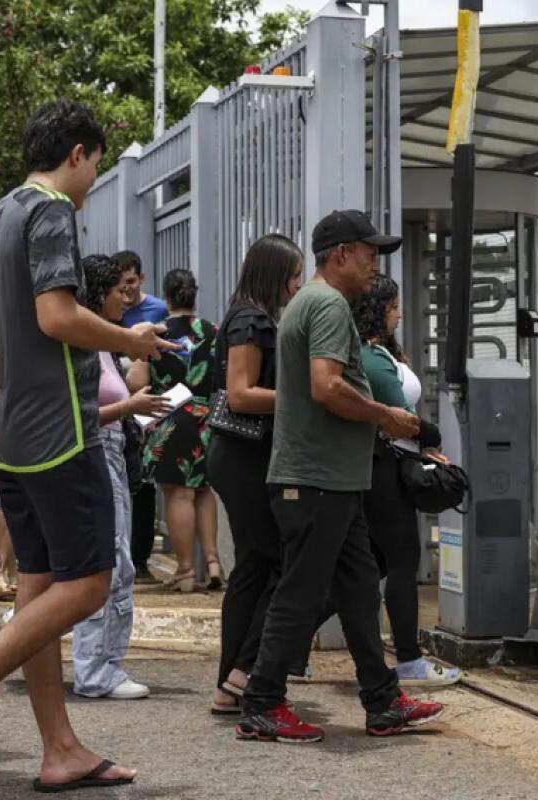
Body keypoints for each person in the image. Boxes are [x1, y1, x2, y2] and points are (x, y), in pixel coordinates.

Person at [0, 99, 175, 799]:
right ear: (78, 153)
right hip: (64, 428)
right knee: (86, 584)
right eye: (97, 163)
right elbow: (56, 316)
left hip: (16, 436)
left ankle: (60, 749)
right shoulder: (50, 210)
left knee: (39, 593)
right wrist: (132, 340)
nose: (94, 179)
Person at [236, 209, 443, 743]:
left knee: (356, 592)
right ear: (341, 254)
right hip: (316, 480)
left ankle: (382, 700)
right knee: (299, 593)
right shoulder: (327, 304)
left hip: (333, 481)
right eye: (369, 253)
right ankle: (261, 703)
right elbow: (326, 387)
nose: (375, 264)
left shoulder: (313, 302)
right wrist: (386, 416)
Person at [208, 233, 303, 713]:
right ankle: (242, 672)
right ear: (274, 276)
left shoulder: (248, 315)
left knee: (254, 564)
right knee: (273, 561)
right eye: (293, 276)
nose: (297, 286)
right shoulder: (250, 320)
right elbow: (241, 393)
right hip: (244, 455)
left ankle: (234, 677)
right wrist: (302, 398)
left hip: (241, 454)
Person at [352, 275, 460, 688]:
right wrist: (430, 437)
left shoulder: (379, 352)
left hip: (392, 463)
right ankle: (410, 661)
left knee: (373, 565)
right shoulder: (372, 357)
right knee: (400, 561)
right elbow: (399, 416)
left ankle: (288, 650)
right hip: (385, 471)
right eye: (395, 306)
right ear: (378, 309)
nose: (400, 313)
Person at [70, 253, 169, 700]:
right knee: (108, 562)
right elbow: (76, 414)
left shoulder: (102, 345)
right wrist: (129, 408)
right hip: (95, 453)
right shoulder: (83, 345)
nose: (125, 299)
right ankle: (95, 668)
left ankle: (106, 662)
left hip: (110, 450)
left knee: (117, 562)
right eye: (117, 291)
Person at [127, 269, 222, 592]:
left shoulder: (155, 333)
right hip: (205, 418)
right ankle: (212, 561)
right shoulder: (213, 331)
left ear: (166, 298)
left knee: (178, 493)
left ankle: (184, 569)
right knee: (204, 489)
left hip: (169, 417)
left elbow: (137, 382)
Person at [114, 250, 167, 584]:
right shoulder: (110, 313)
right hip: (116, 404)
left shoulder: (158, 310)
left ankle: (140, 557)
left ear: (142, 279)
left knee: (144, 483)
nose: (127, 291)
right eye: (120, 285)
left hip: (146, 403)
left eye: (131, 282)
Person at [118, 251, 168, 327]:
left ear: (141, 278)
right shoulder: (111, 310)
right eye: (120, 283)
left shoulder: (160, 308)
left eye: (130, 281)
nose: (126, 288)